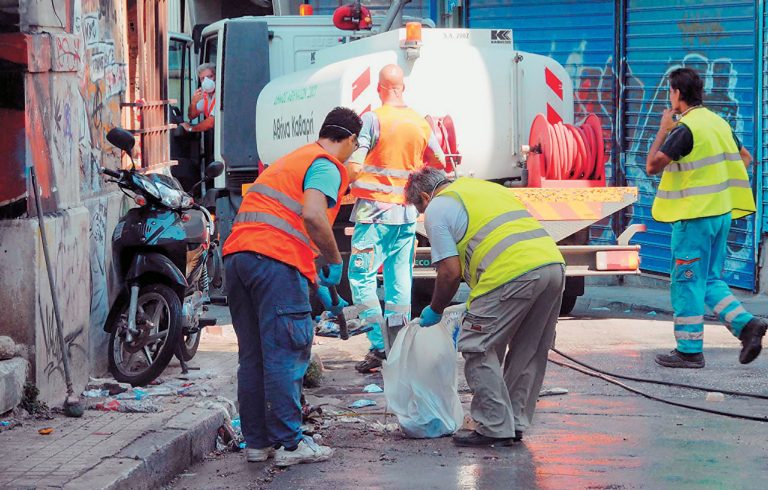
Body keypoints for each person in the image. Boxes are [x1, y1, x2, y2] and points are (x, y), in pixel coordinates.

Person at [221, 107, 362, 466]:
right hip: (274, 263)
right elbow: (313, 215)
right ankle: (291, 444)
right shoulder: (327, 164)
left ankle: (258, 444)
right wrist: (334, 261)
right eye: (355, 147)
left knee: (252, 357)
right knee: (285, 352)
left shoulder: (290, 160)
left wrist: (316, 279)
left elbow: (284, 225)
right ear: (349, 140)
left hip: (238, 259)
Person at [405, 167, 565, 447]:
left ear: (423, 196)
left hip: (511, 272)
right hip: (552, 265)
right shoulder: (484, 188)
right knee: (529, 350)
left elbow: (449, 272)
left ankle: (493, 426)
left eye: (419, 208)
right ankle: (513, 424)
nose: (422, 215)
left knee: (477, 345)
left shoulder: (437, 208)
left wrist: (436, 308)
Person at [645, 67, 766, 369]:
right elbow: (746, 158)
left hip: (694, 218)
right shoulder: (719, 123)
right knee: (708, 279)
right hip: (721, 214)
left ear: (676, 94)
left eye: (669, 92)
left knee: (686, 281)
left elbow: (651, 166)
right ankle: (747, 326)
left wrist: (663, 128)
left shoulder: (685, 129)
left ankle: (689, 350)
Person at [346, 64, 446, 373]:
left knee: (361, 278)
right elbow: (439, 162)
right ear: (402, 88)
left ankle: (379, 345)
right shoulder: (419, 123)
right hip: (405, 216)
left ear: (380, 88)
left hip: (374, 214)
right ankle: (399, 343)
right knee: (399, 279)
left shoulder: (372, 120)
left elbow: (355, 163)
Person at [181, 63, 216, 133]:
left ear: (216, 76)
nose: (206, 80)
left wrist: (191, 128)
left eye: (210, 76)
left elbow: (211, 122)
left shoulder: (222, 94)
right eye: (202, 78)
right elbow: (192, 116)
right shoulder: (205, 95)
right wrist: (193, 102)